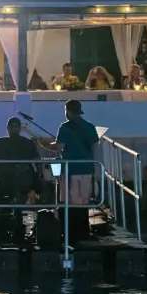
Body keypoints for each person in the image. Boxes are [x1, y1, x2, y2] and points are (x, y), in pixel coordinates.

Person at [37, 98, 100, 241]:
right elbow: (95, 147)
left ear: (69, 112)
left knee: (69, 201)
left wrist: (42, 143)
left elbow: (58, 147)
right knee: (83, 201)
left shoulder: (64, 128)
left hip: (70, 169)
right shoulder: (90, 127)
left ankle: (70, 233)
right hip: (86, 169)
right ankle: (83, 231)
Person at [0, 117, 42, 245]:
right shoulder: (25, 143)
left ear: (8, 129)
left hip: (12, 183)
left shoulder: (0, 143)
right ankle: (10, 230)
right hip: (18, 182)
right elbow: (38, 164)